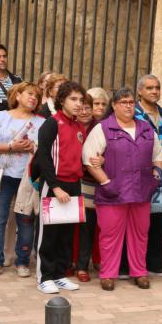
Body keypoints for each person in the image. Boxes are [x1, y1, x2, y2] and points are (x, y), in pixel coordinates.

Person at [83, 88, 162, 291]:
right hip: (113, 193)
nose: (128, 105)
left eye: (131, 102)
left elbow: (159, 154)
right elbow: (89, 159)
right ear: (114, 105)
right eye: (123, 102)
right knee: (110, 235)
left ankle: (139, 272)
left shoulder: (146, 128)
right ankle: (108, 274)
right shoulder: (103, 128)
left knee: (140, 234)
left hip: (141, 192)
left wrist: (156, 175)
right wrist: (105, 183)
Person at [0, 82, 44, 279]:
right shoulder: (1, 117)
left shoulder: (42, 122)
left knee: (26, 220)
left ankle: (23, 262)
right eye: (29, 94)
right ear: (17, 96)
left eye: (36, 96)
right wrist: (11, 146)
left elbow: (47, 152)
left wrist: (32, 147)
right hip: (3, 175)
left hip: (28, 178)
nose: (33, 98)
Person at [34, 81, 87, 294]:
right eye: (73, 99)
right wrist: (55, 186)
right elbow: (43, 157)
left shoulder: (78, 126)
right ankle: (44, 277)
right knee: (49, 234)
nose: (78, 104)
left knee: (66, 235)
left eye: (81, 100)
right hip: (54, 184)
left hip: (74, 185)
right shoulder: (51, 123)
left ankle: (59, 274)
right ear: (62, 100)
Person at [135, 74, 162, 277]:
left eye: (157, 88)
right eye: (149, 88)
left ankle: (154, 263)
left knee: (159, 223)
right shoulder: (132, 113)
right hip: (138, 179)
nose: (154, 91)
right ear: (140, 91)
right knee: (138, 222)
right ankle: (135, 263)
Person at [74, 94, 97, 282]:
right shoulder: (69, 125)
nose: (84, 111)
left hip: (91, 182)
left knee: (87, 226)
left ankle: (82, 265)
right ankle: (66, 262)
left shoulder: (100, 127)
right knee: (67, 223)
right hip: (69, 181)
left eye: (87, 107)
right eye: (80, 107)